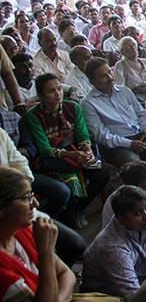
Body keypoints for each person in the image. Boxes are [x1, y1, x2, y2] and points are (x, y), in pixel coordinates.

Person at [23, 73, 111, 228]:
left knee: (102, 172)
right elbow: (44, 148)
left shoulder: (72, 107)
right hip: (54, 160)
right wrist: (72, 155)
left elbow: (83, 133)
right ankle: (67, 216)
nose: (58, 94)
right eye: (51, 91)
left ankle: (78, 209)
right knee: (73, 183)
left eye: (59, 89)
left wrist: (87, 150)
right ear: (41, 95)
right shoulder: (33, 116)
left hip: (77, 153)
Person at [0, 166, 76, 302]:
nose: (35, 204)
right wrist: (46, 252)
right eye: (27, 198)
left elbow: (68, 275)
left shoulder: (21, 230)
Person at [82, 57, 146, 168]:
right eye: (103, 76)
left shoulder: (124, 91)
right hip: (119, 145)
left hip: (141, 136)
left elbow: (142, 114)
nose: (110, 77)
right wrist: (129, 144)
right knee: (137, 169)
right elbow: (101, 135)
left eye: (110, 71)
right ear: (92, 81)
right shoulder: (88, 103)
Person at [81, 185, 146, 301]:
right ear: (121, 220)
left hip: (140, 281)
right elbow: (134, 297)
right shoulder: (113, 247)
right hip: (107, 298)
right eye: (138, 213)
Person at [113, 36, 146, 104]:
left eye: (133, 44)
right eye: (128, 47)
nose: (133, 48)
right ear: (122, 52)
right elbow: (119, 87)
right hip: (137, 98)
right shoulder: (120, 65)